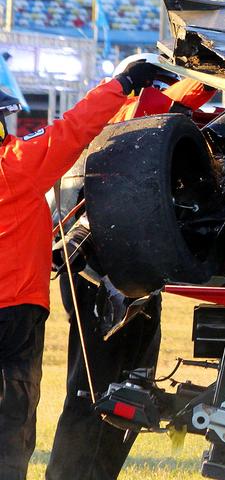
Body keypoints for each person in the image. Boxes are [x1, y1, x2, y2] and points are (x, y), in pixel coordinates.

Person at [46, 72, 214, 480]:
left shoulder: (115, 114)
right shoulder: (131, 113)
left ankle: (88, 473)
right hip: (104, 277)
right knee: (100, 392)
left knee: (120, 392)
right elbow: (179, 101)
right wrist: (205, 74)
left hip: (120, 274)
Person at [0, 63, 158, 480]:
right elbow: (75, 126)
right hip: (15, 313)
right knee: (11, 414)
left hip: (17, 306)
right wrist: (123, 84)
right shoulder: (18, 164)